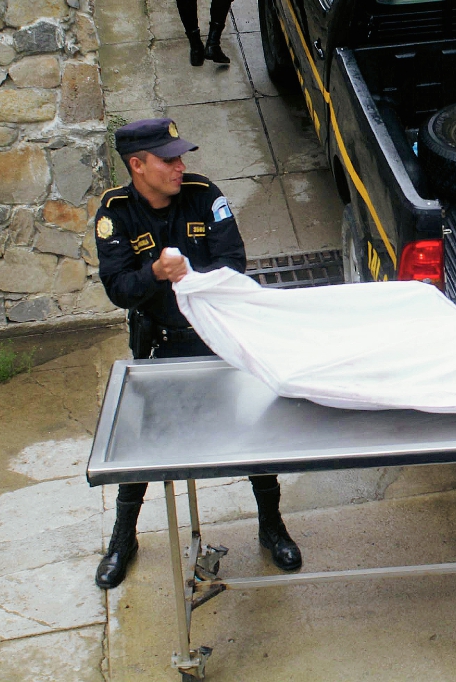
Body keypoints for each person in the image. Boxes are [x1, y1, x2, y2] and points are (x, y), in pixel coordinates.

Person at [93, 118, 302, 590]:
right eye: (168, 160)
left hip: (218, 337)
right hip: (161, 342)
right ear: (137, 165)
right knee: (143, 442)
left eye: (181, 157)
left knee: (254, 429)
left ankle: (272, 526)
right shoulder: (115, 212)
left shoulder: (205, 195)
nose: (180, 166)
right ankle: (123, 539)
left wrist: (189, 276)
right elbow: (119, 289)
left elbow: (233, 264)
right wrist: (156, 274)